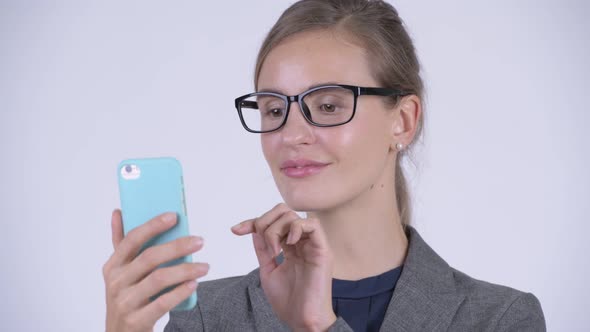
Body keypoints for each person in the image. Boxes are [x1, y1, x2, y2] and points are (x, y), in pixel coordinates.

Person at [103, 0, 546, 331]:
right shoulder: (208, 317)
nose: (292, 134)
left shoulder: (499, 318)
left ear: (404, 121)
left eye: (329, 105)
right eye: (274, 110)